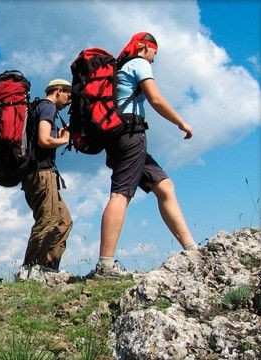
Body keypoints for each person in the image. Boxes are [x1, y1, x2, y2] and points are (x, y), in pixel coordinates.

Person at [88, 32, 198, 278]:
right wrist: (182, 123)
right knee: (120, 194)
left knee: (164, 186)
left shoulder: (119, 69)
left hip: (120, 137)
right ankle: (105, 265)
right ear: (143, 47)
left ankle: (192, 250)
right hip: (131, 135)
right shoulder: (138, 63)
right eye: (154, 54)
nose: (154, 60)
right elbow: (156, 99)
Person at [20, 79, 73, 272]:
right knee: (49, 219)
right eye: (68, 94)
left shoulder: (38, 108)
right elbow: (44, 140)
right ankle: (30, 269)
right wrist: (65, 139)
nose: (69, 100)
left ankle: (48, 267)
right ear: (58, 91)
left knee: (64, 221)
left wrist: (58, 137)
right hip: (42, 172)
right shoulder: (48, 107)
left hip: (36, 172)